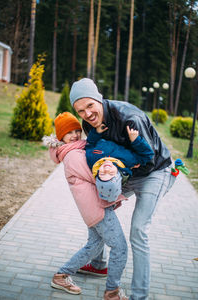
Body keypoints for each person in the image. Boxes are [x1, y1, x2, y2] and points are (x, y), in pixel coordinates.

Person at [69, 77, 177, 300]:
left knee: (138, 231)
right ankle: (98, 264)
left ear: (99, 98)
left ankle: (139, 296)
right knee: (98, 208)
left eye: (89, 105)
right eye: (80, 110)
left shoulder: (130, 118)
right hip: (126, 171)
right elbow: (98, 151)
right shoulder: (89, 125)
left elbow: (147, 160)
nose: (87, 114)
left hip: (154, 171)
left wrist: (118, 170)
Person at [44, 111, 129, 300]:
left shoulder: (75, 148)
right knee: (120, 247)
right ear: (60, 137)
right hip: (97, 209)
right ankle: (112, 292)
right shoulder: (73, 155)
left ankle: (63, 275)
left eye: (76, 130)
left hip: (93, 208)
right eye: (69, 133)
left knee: (94, 244)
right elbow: (98, 173)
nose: (75, 135)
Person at [85, 125, 154, 202]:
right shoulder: (128, 161)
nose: (106, 169)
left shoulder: (92, 159)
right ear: (118, 175)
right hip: (124, 131)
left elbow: (90, 144)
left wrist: (96, 132)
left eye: (102, 174)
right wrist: (136, 140)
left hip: (106, 128)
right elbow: (148, 155)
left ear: (97, 174)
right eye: (111, 174)